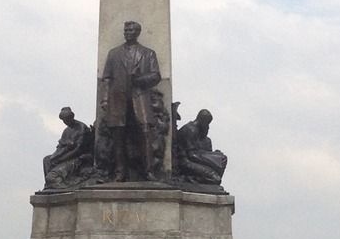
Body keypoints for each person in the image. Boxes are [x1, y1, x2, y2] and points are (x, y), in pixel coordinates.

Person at [99, 20, 162, 181]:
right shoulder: (114, 53)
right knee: (118, 137)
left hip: (139, 98)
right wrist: (105, 100)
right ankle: (120, 172)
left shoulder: (148, 53)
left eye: (131, 30)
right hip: (117, 99)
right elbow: (106, 78)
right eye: (126, 30)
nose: (127, 32)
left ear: (137, 32)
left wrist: (139, 80)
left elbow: (156, 76)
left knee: (145, 133)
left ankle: (149, 171)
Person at [42, 107, 92, 188]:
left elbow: (78, 150)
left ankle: (57, 183)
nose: (65, 122)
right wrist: (55, 157)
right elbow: (61, 146)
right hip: (65, 154)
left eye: (67, 119)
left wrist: (62, 159)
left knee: (51, 176)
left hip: (76, 158)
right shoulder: (67, 130)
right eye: (64, 120)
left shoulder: (81, 128)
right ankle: (49, 185)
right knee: (47, 159)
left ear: (72, 117)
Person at [176, 109, 227, 186]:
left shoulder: (199, 133)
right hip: (185, 162)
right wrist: (213, 162)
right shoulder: (190, 130)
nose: (208, 126)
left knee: (222, 159)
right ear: (203, 121)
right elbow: (191, 155)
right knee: (215, 178)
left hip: (192, 160)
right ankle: (186, 179)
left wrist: (214, 155)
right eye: (207, 123)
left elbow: (199, 151)